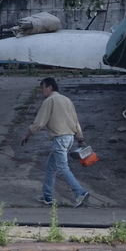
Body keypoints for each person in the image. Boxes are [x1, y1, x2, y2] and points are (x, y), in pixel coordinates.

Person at [21, 77, 90, 207]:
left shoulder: (50, 101)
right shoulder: (67, 100)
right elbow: (76, 121)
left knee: (63, 168)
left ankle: (80, 192)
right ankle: (47, 196)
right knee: (50, 166)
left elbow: (39, 123)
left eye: (42, 88)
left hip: (59, 139)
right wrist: (80, 139)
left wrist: (27, 135)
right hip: (69, 138)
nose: (42, 91)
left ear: (50, 88)